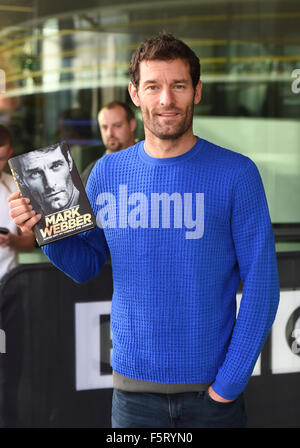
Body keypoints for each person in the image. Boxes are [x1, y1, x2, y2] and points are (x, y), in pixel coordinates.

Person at [8, 32, 280, 428]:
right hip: (133, 397)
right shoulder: (106, 172)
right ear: (135, 93)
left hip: (213, 398)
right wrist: (43, 229)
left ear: (197, 92)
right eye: (153, 86)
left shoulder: (237, 174)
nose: (166, 100)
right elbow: (85, 266)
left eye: (178, 86)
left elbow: (263, 284)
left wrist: (229, 385)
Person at [0, 125, 35, 280]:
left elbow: (29, 243)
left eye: (0, 158)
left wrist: (11, 240)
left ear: (9, 154)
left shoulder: (17, 187)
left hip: (8, 283)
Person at [14, 143, 80, 216]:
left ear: (69, 162)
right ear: (21, 180)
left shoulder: (93, 199)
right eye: (35, 173)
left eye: (56, 166)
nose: (50, 184)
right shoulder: (32, 218)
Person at [81, 101, 136, 185]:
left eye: (117, 125)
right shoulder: (92, 172)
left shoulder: (150, 162)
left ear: (132, 125)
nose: (109, 133)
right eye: (104, 127)